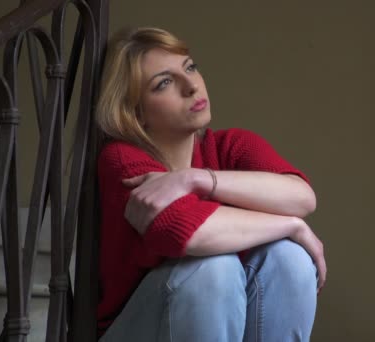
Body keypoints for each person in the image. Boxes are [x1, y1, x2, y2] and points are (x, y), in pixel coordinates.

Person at [94, 27, 326, 342]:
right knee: (212, 267)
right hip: (135, 331)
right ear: (136, 112)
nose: (191, 86)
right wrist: (292, 226)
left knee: (290, 258)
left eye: (190, 68)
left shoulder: (232, 146)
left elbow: (301, 197)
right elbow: (186, 233)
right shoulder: (122, 160)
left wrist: (196, 179)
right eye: (164, 83)